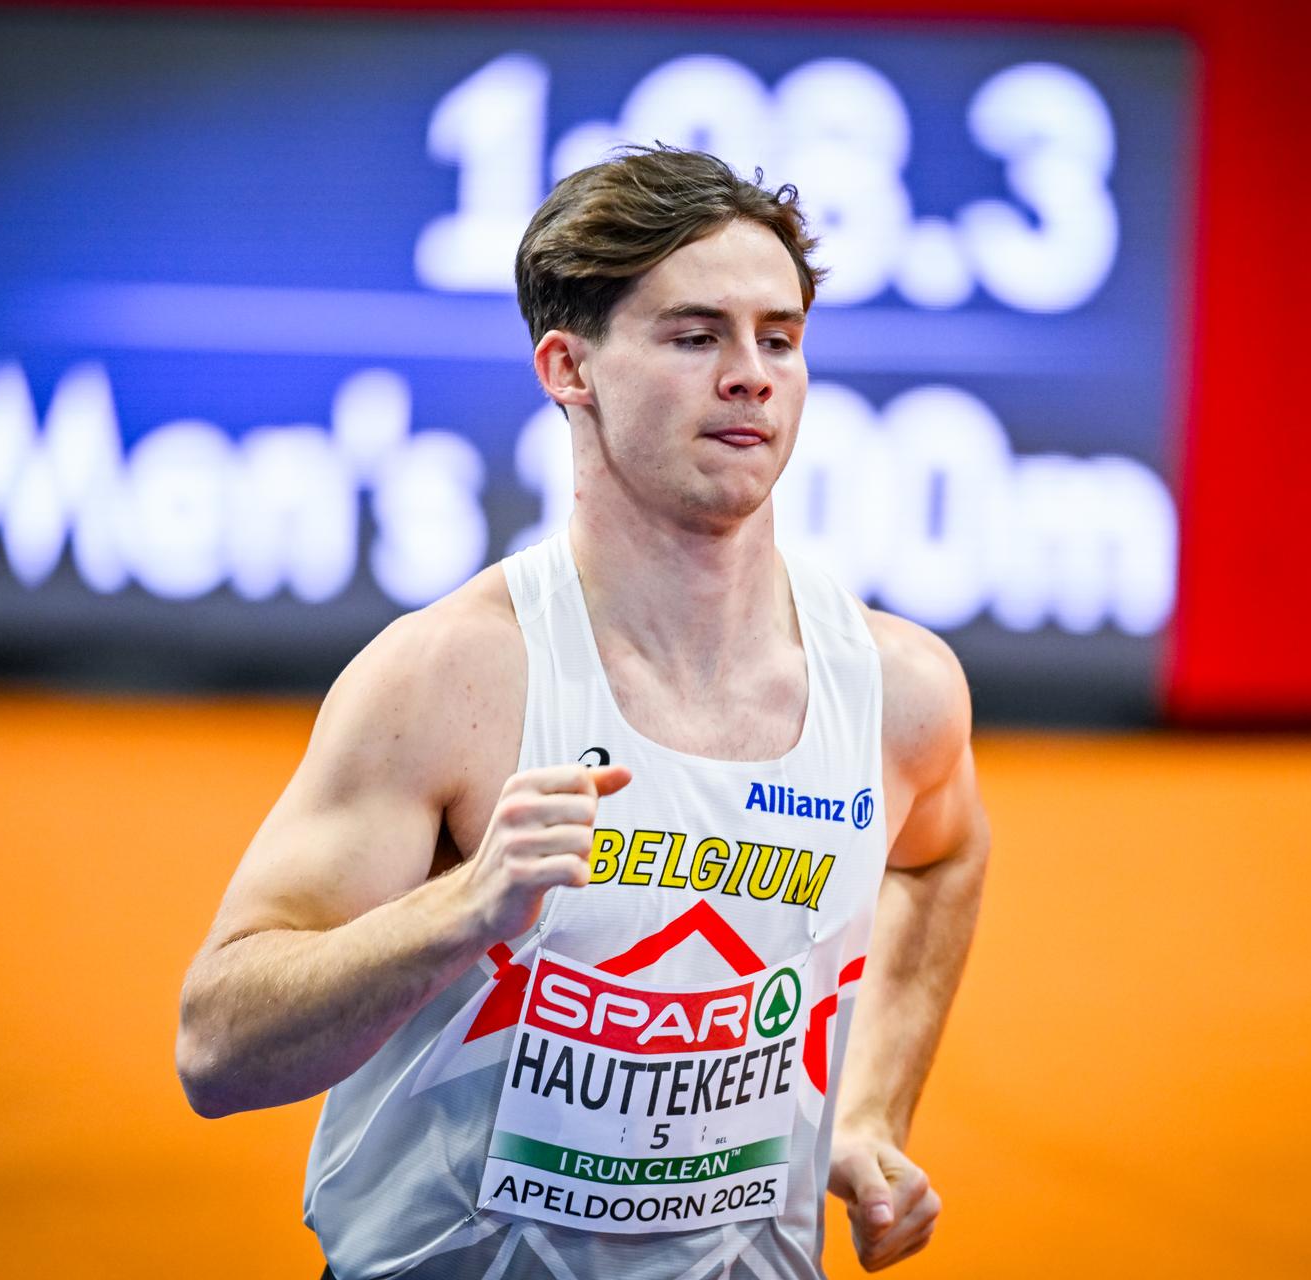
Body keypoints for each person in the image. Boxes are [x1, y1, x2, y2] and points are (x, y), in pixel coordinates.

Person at [176, 146, 990, 1279]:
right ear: (569, 368)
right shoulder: (450, 678)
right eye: (695, 335)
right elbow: (217, 1048)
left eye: (781, 337)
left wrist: (867, 1114)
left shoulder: (897, 687)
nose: (752, 373)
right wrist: (463, 907)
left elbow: (941, 855)